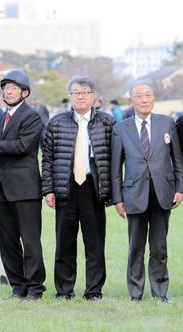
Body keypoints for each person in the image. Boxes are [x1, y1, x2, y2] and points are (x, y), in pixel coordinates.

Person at [42, 76, 114, 301]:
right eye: (75, 93)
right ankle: (64, 290)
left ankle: (93, 290)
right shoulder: (56, 122)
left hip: (93, 188)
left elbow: (114, 159)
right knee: (64, 242)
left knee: (94, 243)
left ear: (94, 96)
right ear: (70, 96)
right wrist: (48, 190)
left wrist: (111, 191)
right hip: (66, 187)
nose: (80, 96)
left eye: (84, 92)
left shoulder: (107, 123)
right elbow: (47, 159)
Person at [0, 70, 46, 301]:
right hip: (3, 189)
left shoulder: (32, 117)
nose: (8, 91)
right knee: (7, 241)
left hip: (25, 190)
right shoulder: (2, 117)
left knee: (30, 241)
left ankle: (35, 288)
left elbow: (22, 146)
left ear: (24, 93)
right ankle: (18, 286)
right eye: (5, 87)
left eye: (13, 88)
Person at [111, 83, 183, 304]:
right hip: (134, 194)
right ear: (130, 101)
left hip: (163, 192)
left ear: (153, 99)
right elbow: (115, 167)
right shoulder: (120, 128)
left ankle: (160, 291)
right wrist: (118, 199)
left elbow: (177, 159)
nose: (144, 99)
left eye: (148, 95)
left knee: (159, 246)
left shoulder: (167, 123)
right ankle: (135, 292)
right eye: (139, 96)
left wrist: (180, 188)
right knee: (136, 247)